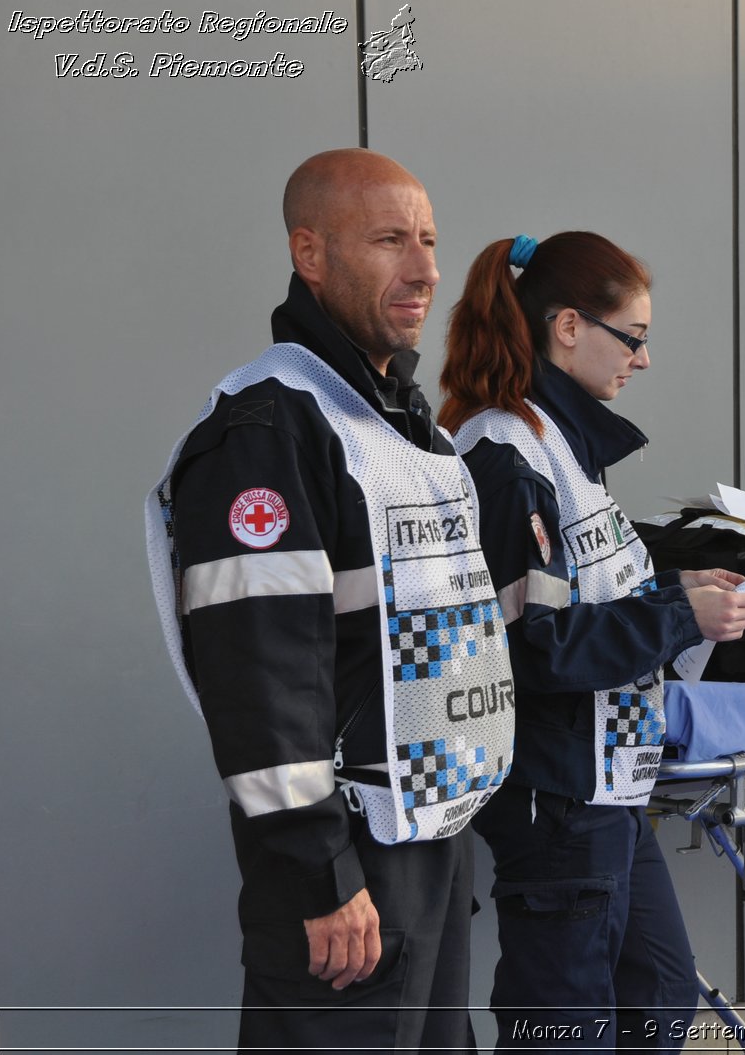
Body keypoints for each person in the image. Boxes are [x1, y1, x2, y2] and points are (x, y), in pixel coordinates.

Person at [146, 148, 515, 1052]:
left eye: (428, 240)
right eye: (390, 240)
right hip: (345, 869)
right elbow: (260, 675)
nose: (426, 268)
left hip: (425, 846)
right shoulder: (269, 426)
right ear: (309, 254)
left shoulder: (394, 418)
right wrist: (319, 871)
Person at [438, 231, 745, 1052]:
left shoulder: (563, 443)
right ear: (569, 326)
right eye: (636, 337)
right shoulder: (508, 453)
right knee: (566, 1029)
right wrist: (683, 618)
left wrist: (677, 592)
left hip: (609, 788)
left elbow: (595, 593)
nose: (644, 361)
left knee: (658, 993)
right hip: (560, 798)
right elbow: (533, 647)